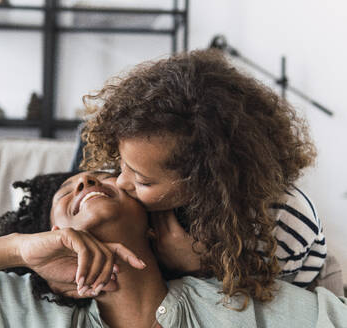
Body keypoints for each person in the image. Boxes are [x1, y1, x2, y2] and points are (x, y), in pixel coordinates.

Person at [0, 171, 345, 328]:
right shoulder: (15, 306)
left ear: (153, 225)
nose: (86, 180)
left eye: (104, 176)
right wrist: (17, 250)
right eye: (66, 192)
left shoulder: (239, 308)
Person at [78, 49, 326, 304]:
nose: (120, 181)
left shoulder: (283, 219)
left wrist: (198, 267)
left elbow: (270, 311)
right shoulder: (140, 172)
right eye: (121, 163)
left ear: (205, 182)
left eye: (143, 181)